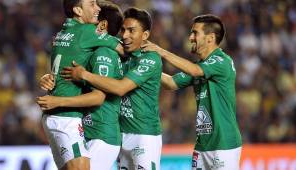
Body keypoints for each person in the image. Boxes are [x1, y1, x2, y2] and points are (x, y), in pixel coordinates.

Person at [61, 7, 163, 170]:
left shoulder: (150, 58)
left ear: (145, 35)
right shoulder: (121, 55)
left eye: (131, 31)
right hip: (121, 133)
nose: (125, 35)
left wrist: (84, 75)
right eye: (123, 30)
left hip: (144, 136)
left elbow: (121, 88)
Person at [142, 14, 242, 170]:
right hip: (202, 145)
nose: (190, 37)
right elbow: (171, 83)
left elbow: (195, 71)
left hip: (224, 145)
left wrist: (160, 51)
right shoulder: (201, 66)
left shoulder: (222, 61)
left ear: (210, 38)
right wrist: (144, 66)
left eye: (195, 33)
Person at [37, 2, 123, 170]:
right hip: (65, 118)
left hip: (57, 117)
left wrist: (47, 78)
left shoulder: (63, 33)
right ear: (77, 10)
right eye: (91, 4)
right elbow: (126, 49)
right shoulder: (88, 32)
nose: (97, 8)